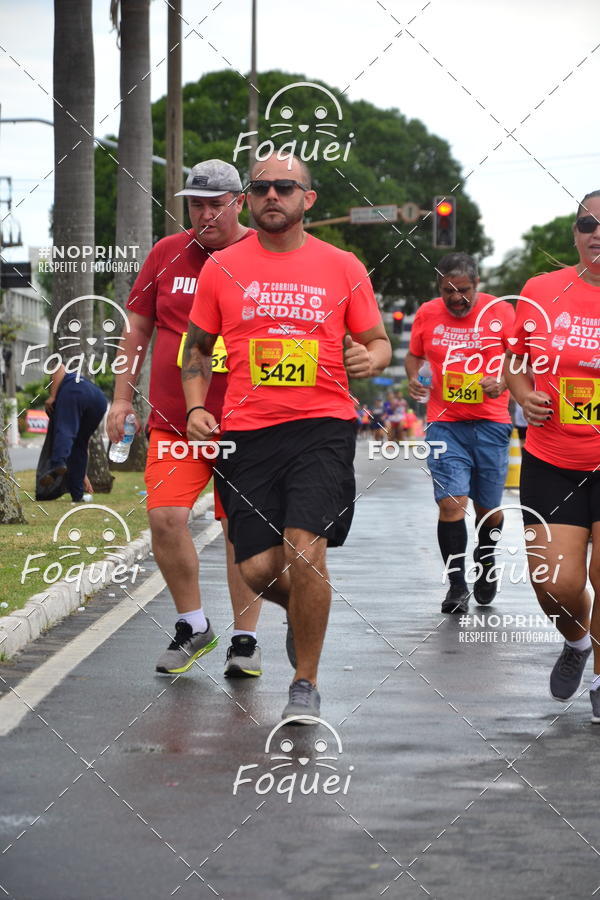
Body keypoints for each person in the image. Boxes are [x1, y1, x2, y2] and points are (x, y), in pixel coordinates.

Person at [182, 153, 391, 722]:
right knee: (255, 569)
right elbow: (198, 349)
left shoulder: (343, 265)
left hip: (321, 427)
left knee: (304, 547)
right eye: (261, 187)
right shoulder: (221, 267)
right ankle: (307, 610)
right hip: (248, 433)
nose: (272, 195)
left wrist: (366, 359)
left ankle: (305, 682)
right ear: (248, 199)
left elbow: (378, 343)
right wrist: (198, 407)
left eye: (284, 187)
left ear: (308, 199)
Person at [106, 159, 263, 678]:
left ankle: (245, 640)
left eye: (216, 204)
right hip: (176, 423)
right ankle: (193, 624)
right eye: (196, 204)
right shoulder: (166, 255)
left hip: (248, 426)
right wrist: (122, 400)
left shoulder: (263, 257)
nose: (204, 214)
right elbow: (137, 334)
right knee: (166, 519)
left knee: (241, 530)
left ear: (239, 202)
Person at [505, 190, 600, 719]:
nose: (598, 233)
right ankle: (578, 644)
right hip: (552, 458)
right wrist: (523, 394)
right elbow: (514, 363)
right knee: (556, 586)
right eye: (588, 223)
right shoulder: (541, 291)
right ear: (575, 233)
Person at [405, 253, 515, 614]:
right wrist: (414, 379)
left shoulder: (500, 313)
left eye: (463, 290)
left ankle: (486, 559)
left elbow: (519, 360)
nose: (456, 298)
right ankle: (456, 585)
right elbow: (414, 355)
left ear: (477, 284)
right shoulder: (426, 313)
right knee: (452, 503)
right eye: (448, 290)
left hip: (491, 423)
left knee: (488, 509)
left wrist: (501, 383)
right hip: (445, 423)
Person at [39, 365, 106, 501]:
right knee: (79, 445)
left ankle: (58, 463)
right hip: (99, 400)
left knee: (64, 430)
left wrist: (52, 396)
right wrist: (82, 474)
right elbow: (83, 447)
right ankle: (77, 495)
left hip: (76, 391)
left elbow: (58, 367)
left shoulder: (65, 384)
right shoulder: (80, 383)